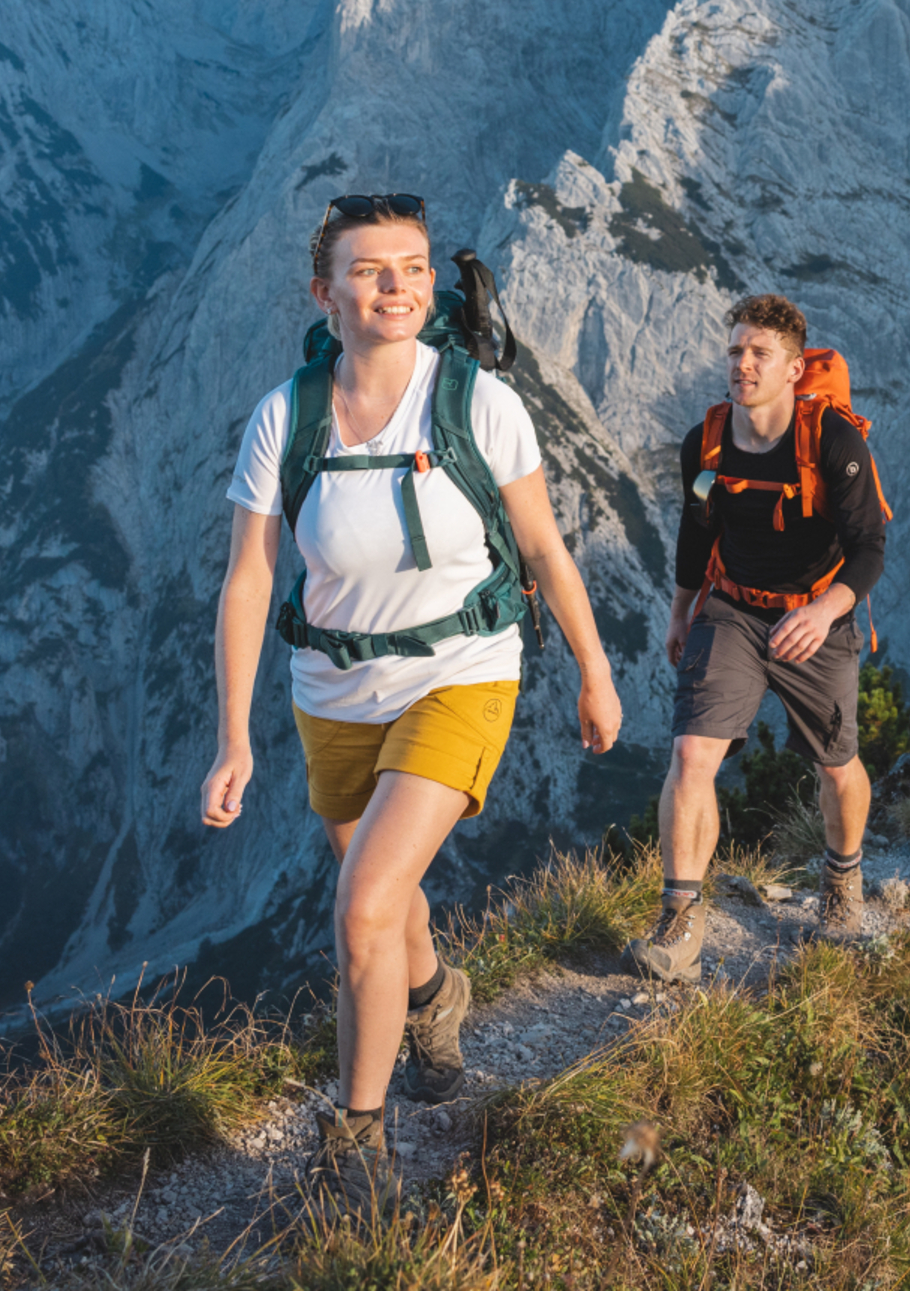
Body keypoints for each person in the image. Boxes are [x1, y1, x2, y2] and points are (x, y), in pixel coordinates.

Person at [200, 193, 623, 1213]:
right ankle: (435, 996)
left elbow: (540, 548)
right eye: (370, 267)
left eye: (414, 265)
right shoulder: (285, 414)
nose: (397, 284)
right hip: (333, 689)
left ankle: (357, 1138)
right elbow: (249, 580)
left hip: (459, 672)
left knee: (360, 906)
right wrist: (231, 741)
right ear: (323, 290)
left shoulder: (479, 402)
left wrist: (593, 666)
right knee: (378, 893)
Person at [626, 293, 888, 983]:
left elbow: (869, 547)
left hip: (815, 616)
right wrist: (682, 612)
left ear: (795, 369)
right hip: (734, 610)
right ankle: (679, 920)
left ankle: (842, 882)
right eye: (735, 350)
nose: (742, 364)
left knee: (838, 764)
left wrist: (826, 611)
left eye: (759, 353)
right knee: (690, 755)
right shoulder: (706, 443)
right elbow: (698, 530)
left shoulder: (834, 442)